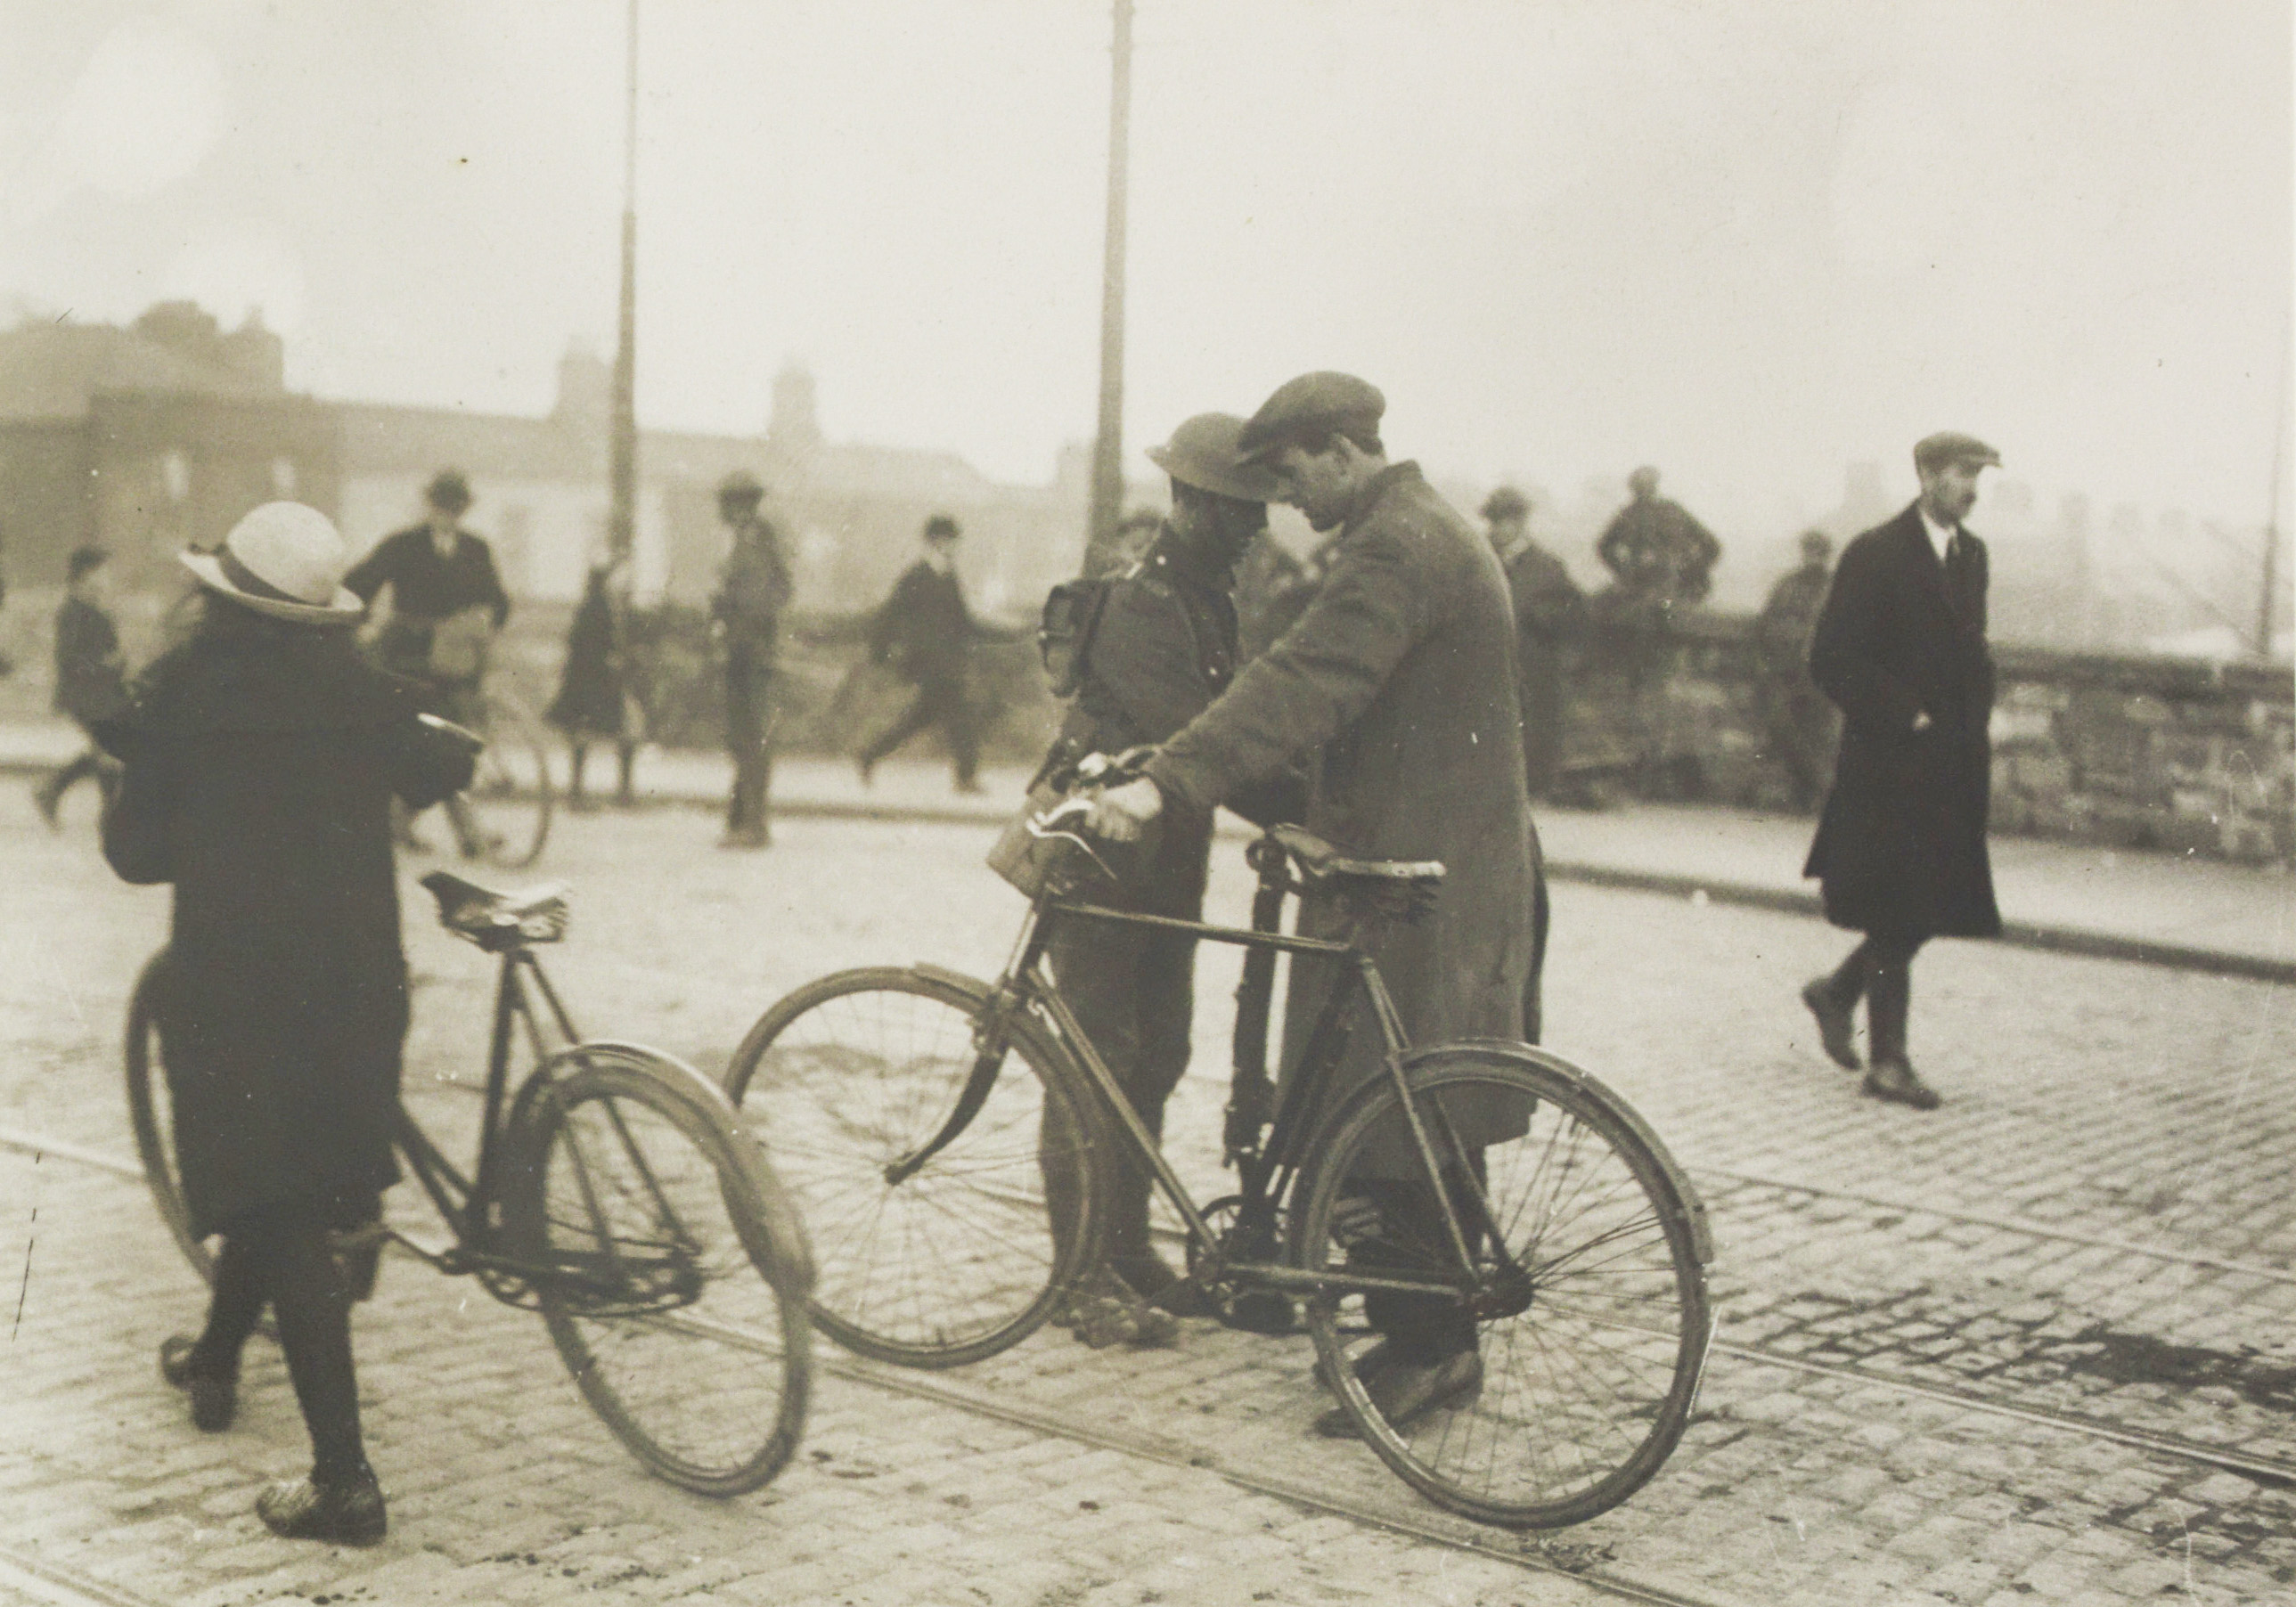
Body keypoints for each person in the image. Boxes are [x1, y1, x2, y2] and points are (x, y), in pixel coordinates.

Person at [1087, 372, 1543, 1437]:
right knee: (1407, 1104)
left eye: (1292, 474)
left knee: (1386, 1105)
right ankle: (1421, 1327)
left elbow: (1306, 680)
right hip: (1430, 863)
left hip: (1413, 875)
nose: (1285, 501)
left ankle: (1433, 1350)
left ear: (1341, 451)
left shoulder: (1396, 547)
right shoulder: (1427, 529)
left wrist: (1166, 779)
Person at [96, 502, 475, 1546]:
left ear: (225, 596)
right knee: (297, 1179)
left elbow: (134, 853)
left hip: (237, 984)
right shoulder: (363, 689)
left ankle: (344, 1481)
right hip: (356, 986)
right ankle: (218, 1355)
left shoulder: (187, 689)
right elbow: (444, 763)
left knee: (273, 1203)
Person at [1037, 413, 1302, 1321]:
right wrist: (1305, 813)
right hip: (1104, 863)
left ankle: (1126, 1245)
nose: (1259, 527)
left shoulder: (1205, 601)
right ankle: (1078, 1277)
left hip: (1164, 861)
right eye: (1241, 510)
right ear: (1192, 505)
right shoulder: (1143, 608)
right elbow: (1209, 744)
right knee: (1096, 1056)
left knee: (1159, 1050)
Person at [1799, 433, 2005, 1112]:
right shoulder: (1876, 553)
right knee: (1901, 904)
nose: (1970, 488)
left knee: (1930, 903)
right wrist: (1902, 713)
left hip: (1949, 765)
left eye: (1977, 476)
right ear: (1924, 475)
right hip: (1889, 765)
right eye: (1959, 474)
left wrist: (1980, 713)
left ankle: (1836, 992)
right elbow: (1829, 657)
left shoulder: (1969, 556)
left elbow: (1966, 648)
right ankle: (1887, 1061)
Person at [341, 469, 511, 856]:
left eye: (456, 509)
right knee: (428, 745)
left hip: (453, 661)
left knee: (451, 744)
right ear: (429, 506)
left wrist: (483, 628)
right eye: (441, 507)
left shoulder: (476, 549)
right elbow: (360, 584)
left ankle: (407, 827)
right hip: (406, 658)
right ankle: (459, 835)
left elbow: (499, 600)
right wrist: (355, 626)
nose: (448, 516)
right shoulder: (403, 544)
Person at [857, 515, 1006, 794]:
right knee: (960, 718)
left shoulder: (948, 575)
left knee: (919, 719)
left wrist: (1003, 635)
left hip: (946, 663)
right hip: (930, 664)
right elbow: (890, 615)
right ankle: (965, 778)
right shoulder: (917, 575)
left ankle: (869, 754)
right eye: (950, 540)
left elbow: (963, 621)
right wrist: (879, 653)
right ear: (937, 541)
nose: (954, 546)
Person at [1483, 486, 1583, 800]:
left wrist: (1538, 615)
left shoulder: (1547, 567)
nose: (1497, 528)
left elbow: (1574, 616)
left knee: (1532, 734)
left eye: (1505, 521)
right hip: (1486, 665)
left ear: (1521, 523)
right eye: (1493, 520)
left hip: (1532, 664)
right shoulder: (1478, 559)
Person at [711, 470, 792, 848]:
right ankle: (740, 819)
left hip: (750, 653)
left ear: (739, 506)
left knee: (750, 740)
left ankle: (753, 825)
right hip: (747, 649)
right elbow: (783, 588)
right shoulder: (752, 539)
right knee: (744, 740)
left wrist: (725, 607)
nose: (721, 511)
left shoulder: (754, 542)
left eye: (726, 504)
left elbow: (760, 599)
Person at [33, 545, 130, 826]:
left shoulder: (93, 610)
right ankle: (110, 818)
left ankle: (52, 790)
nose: (108, 577)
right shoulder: (73, 613)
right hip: (85, 697)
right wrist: (106, 665)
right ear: (87, 575)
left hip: (101, 695)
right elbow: (71, 659)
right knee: (109, 753)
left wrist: (115, 664)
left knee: (107, 751)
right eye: (103, 571)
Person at [549, 546, 641, 811]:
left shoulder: (609, 606)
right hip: (592, 684)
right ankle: (594, 795)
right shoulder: (596, 606)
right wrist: (610, 660)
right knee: (601, 735)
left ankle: (613, 793)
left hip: (600, 684)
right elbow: (584, 646)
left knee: (615, 734)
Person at [1755, 530, 1839, 813]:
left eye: (1817, 552)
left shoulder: (1837, 588)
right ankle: (1812, 789)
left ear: (1825, 555)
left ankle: (1811, 795)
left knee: (1816, 732)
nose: (1812, 557)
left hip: (1821, 672)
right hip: (1785, 669)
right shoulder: (1787, 585)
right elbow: (1766, 622)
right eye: (1808, 551)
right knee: (1782, 726)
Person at [1596, 466, 1721, 611]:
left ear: (1654, 487)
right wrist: (1624, 571)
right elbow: (1604, 547)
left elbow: (1711, 545)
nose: (1643, 491)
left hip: (1676, 585)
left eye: (1647, 486)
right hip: (1641, 583)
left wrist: (1692, 572)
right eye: (1639, 487)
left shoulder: (1673, 511)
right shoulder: (1628, 515)